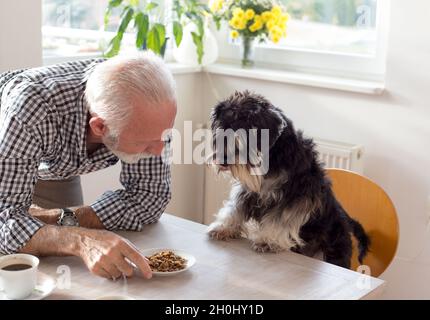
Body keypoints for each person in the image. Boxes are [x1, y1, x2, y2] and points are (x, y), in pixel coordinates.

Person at [0, 51, 177, 280]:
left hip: (57, 164)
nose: (160, 150)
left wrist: (60, 220)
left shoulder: (147, 105)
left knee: (64, 272)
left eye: (166, 135)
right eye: (145, 144)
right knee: (16, 269)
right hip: (10, 149)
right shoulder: (32, 111)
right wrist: (81, 240)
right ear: (100, 127)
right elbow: (4, 225)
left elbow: (149, 196)